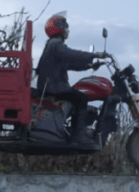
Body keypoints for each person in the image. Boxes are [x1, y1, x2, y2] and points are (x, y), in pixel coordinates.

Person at [35, 12, 109, 145]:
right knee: (81, 98)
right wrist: (94, 55)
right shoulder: (56, 44)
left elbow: (68, 64)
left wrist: (89, 65)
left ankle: (74, 130)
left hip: (52, 85)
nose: (68, 30)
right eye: (66, 27)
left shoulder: (53, 45)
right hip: (54, 87)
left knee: (78, 96)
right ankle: (78, 136)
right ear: (59, 28)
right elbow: (71, 55)